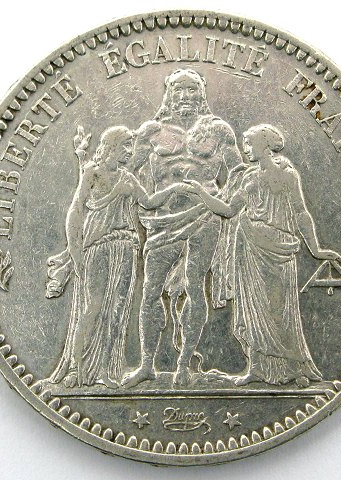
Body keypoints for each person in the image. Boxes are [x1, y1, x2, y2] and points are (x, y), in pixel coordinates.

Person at [185, 124, 341, 387]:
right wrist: (201, 193)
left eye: (250, 143)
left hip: (278, 247)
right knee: (251, 309)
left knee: (281, 310)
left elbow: (301, 212)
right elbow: (229, 210)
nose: (245, 148)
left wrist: (315, 249)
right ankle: (256, 369)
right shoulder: (249, 177)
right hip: (249, 247)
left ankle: (295, 368)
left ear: (265, 144)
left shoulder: (288, 175)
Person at [122, 69, 243, 387]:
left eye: (191, 89)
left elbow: (238, 172)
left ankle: (184, 364)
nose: (185, 95)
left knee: (195, 287)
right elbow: (128, 172)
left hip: (204, 216)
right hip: (162, 218)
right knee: (151, 290)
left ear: (201, 94)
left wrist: (226, 203)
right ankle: (146, 365)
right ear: (169, 95)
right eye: (178, 90)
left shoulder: (218, 129)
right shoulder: (152, 131)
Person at [47, 126, 189, 388]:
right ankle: (77, 369)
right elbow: (77, 209)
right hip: (98, 245)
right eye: (125, 146)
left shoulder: (127, 177)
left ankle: (106, 370)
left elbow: (149, 202)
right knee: (93, 307)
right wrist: (75, 251)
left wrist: (176, 188)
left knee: (118, 310)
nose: (129, 151)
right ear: (112, 146)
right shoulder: (93, 172)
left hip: (125, 247)